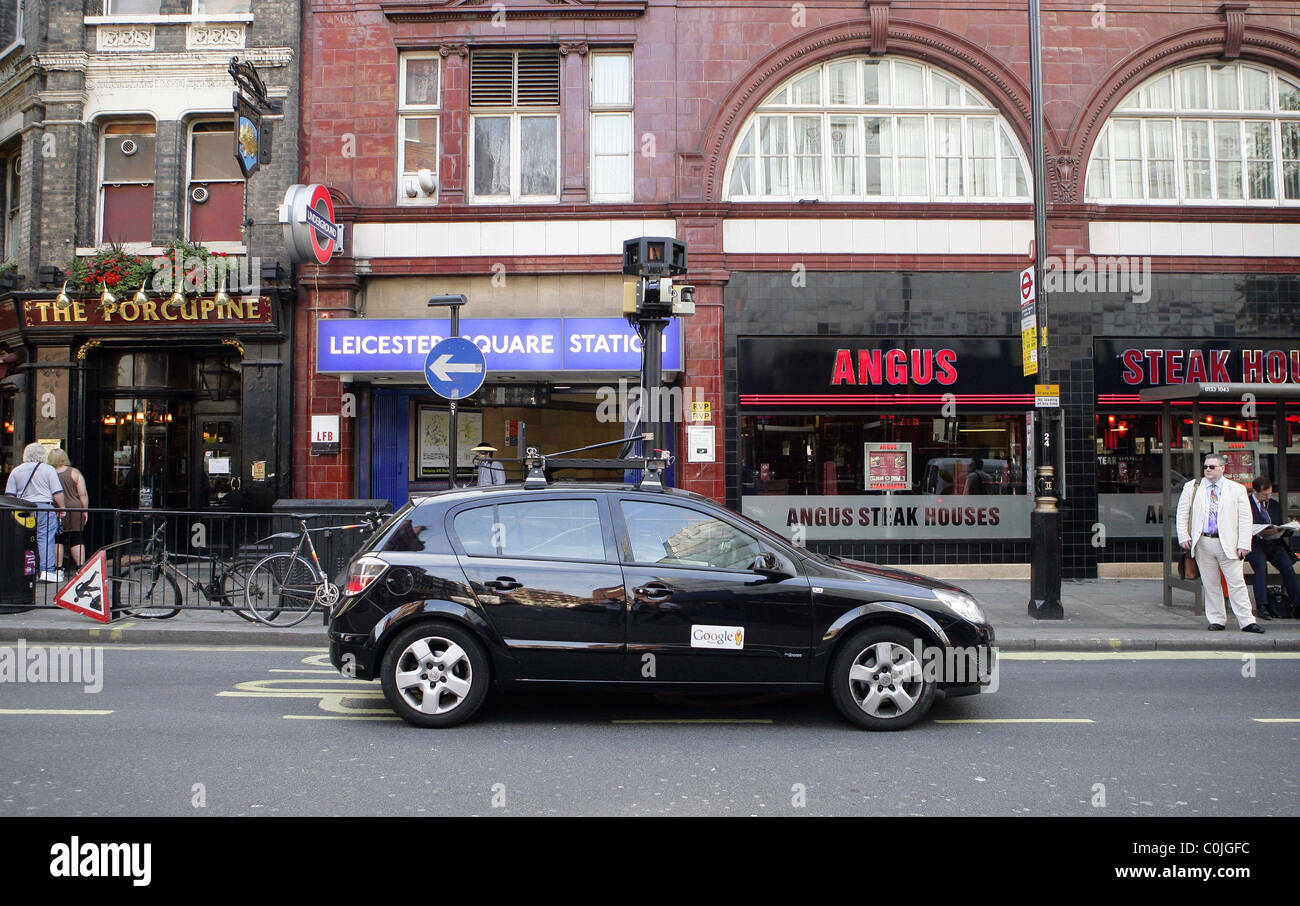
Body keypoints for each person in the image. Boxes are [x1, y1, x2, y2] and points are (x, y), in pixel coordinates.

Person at [1176, 453, 1261, 633]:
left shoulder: (1236, 489)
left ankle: (1246, 621)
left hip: (1228, 542)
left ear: (1223, 468)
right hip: (1203, 541)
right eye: (1206, 466)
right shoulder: (1192, 487)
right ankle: (1216, 619)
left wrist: (1244, 543)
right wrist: (1183, 535)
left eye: (1212, 467)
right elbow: (1182, 512)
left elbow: (1245, 519)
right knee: (1210, 583)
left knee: (1236, 582)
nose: (1207, 470)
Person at [5, 442, 66, 583]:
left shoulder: (16, 470)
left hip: (23, 508)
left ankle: (22, 570)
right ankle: (46, 571)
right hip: (45, 507)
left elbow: (10, 496)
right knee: (45, 539)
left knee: (22, 539)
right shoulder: (48, 470)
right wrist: (62, 508)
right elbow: (57, 492)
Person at [1244, 476, 1299, 620]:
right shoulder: (1245, 503)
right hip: (1254, 543)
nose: (1268, 497)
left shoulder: (1273, 504)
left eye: (1270, 494)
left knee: (1287, 567)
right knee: (1261, 566)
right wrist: (1258, 531)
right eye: (1264, 494)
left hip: (1273, 543)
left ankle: (1297, 605)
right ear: (1255, 491)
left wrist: (1285, 529)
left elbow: (1279, 523)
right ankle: (1262, 606)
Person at [47, 448, 89, 572]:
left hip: (56, 508)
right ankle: (80, 568)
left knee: (57, 538)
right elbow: (83, 494)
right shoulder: (74, 472)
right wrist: (85, 510)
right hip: (75, 508)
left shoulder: (49, 473)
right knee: (76, 537)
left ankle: (58, 568)